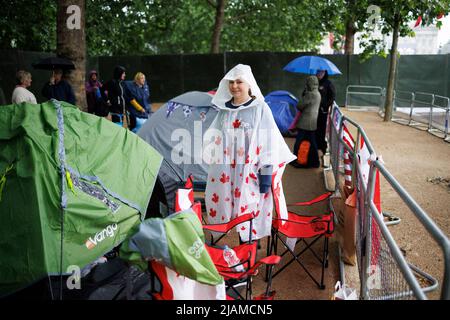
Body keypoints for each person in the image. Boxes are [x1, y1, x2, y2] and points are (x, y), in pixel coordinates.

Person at [204, 64, 296, 242]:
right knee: (224, 204)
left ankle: (248, 255)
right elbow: (214, 136)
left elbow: (270, 140)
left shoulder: (259, 108)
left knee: (249, 211)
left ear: (249, 85)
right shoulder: (224, 111)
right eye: (231, 82)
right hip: (225, 170)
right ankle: (227, 248)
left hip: (250, 171)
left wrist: (266, 171)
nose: (234, 86)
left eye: (239, 81)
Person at [291, 75, 321, 168]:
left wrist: (304, 94)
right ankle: (315, 162)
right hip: (312, 122)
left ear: (309, 83)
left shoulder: (310, 94)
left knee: (298, 142)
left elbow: (300, 106)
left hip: (305, 122)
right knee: (312, 143)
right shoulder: (318, 93)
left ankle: (296, 159)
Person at [315, 70, 336, 159]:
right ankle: (314, 147)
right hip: (313, 112)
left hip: (323, 112)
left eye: (322, 72)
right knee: (314, 129)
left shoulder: (328, 83)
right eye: (318, 72)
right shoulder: (314, 82)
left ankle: (322, 149)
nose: (320, 74)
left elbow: (332, 97)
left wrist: (325, 106)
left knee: (322, 130)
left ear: (325, 73)